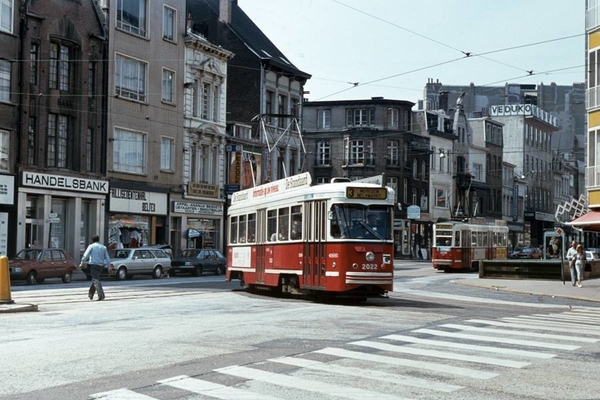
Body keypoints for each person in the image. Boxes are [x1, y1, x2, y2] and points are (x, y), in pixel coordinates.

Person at [79, 235, 111, 301]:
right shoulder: (103, 247)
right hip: (101, 266)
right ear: (99, 240)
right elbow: (107, 257)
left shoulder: (91, 246)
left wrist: (82, 262)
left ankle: (101, 295)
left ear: (92, 240)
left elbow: (86, 254)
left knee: (96, 280)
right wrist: (109, 266)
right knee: (95, 279)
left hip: (93, 265)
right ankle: (90, 294)